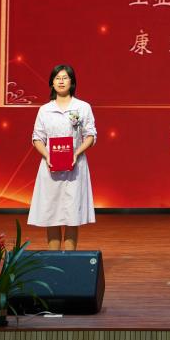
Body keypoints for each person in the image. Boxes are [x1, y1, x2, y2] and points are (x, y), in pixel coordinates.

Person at [28, 64, 97, 250]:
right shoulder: (45, 110)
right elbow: (37, 138)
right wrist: (48, 155)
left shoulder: (83, 107)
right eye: (57, 78)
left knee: (72, 214)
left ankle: (70, 260)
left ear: (72, 82)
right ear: (51, 82)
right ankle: (54, 260)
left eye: (65, 78)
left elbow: (90, 135)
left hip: (75, 167)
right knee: (52, 213)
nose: (61, 81)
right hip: (50, 167)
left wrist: (76, 153)